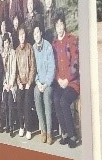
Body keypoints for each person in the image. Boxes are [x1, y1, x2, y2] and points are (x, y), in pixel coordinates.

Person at [51, 14, 80, 148]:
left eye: (61, 24)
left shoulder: (71, 39)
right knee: (56, 100)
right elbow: (54, 65)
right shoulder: (54, 44)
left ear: (64, 25)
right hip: (60, 81)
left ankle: (73, 135)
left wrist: (67, 80)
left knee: (64, 101)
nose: (59, 27)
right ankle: (65, 134)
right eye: (57, 25)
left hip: (72, 82)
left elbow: (75, 62)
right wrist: (58, 79)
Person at [32, 25, 55, 144]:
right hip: (39, 82)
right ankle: (43, 130)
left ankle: (50, 133)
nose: (36, 35)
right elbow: (33, 68)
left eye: (38, 33)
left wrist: (46, 84)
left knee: (46, 97)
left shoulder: (48, 46)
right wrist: (37, 82)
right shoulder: (33, 48)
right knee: (36, 94)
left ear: (41, 33)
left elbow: (52, 68)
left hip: (48, 83)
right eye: (34, 34)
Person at [15, 27, 37, 140]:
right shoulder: (17, 50)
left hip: (29, 83)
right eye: (20, 35)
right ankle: (21, 126)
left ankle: (28, 129)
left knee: (28, 103)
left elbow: (33, 66)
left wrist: (29, 82)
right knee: (19, 101)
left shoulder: (30, 48)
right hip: (21, 83)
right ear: (18, 37)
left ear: (25, 35)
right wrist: (19, 82)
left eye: (23, 34)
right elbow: (16, 69)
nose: (22, 36)